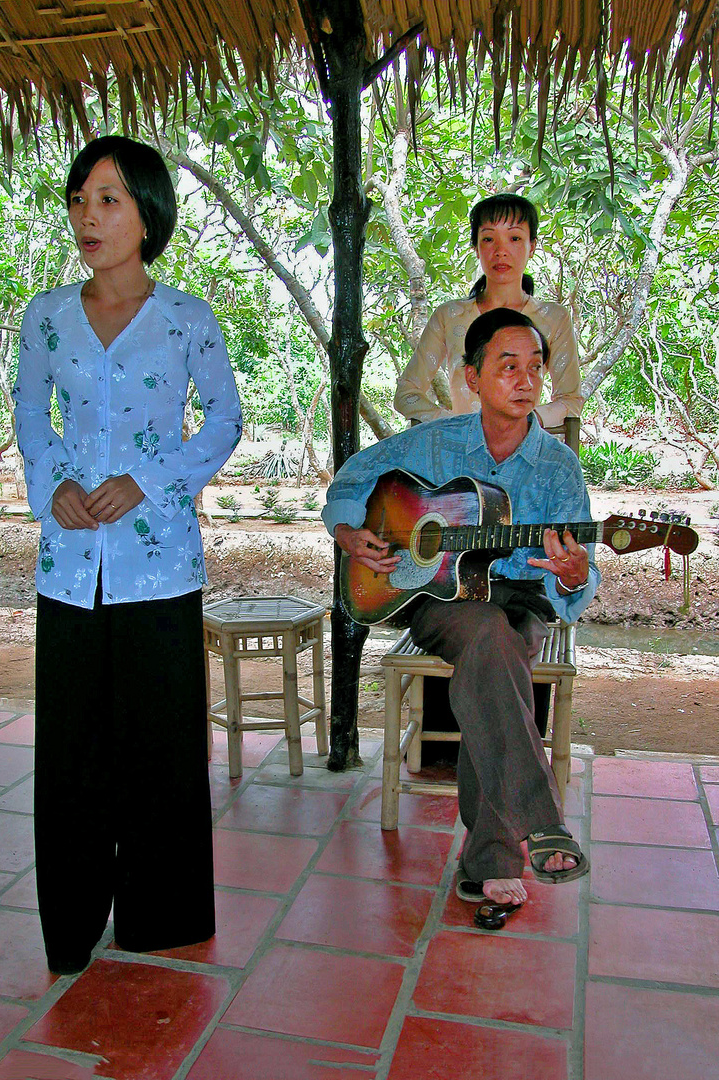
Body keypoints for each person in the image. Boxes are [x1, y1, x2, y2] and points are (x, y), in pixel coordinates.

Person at [12, 136, 243, 974]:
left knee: (159, 743)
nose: (88, 217)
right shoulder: (44, 316)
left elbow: (223, 420)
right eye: (79, 200)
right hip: (71, 562)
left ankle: (163, 915)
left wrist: (149, 479)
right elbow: (30, 416)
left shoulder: (188, 318)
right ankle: (71, 923)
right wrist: (52, 489)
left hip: (159, 562)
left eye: (108, 200)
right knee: (72, 747)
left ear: (147, 214)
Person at [323, 307, 596, 919]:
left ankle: (494, 858)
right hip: (435, 596)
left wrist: (576, 575)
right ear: (472, 378)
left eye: (535, 367)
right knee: (487, 640)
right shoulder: (435, 441)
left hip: (518, 599)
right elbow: (353, 476)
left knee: (494, 647)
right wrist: (348, 530)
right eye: (507, 366)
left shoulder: (558, 468)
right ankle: (536, 826)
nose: (525, 380)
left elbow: (579, 579)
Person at [394, 193, 583, 429]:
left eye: (514, 238)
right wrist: (457, 425)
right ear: (476, 247)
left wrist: (522, 424)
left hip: (525, 455)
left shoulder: (554, 319)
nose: (501, 251)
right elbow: (406, 393)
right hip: (460, 454)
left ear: (532, 246)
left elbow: (571, 400)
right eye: (488, 239)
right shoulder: (449, 316)